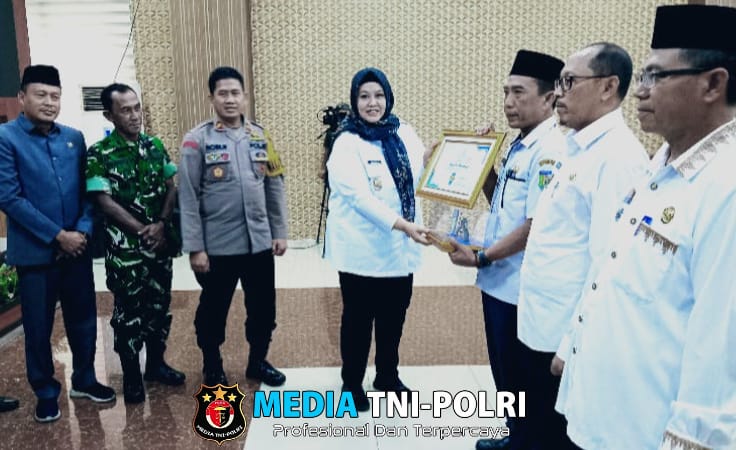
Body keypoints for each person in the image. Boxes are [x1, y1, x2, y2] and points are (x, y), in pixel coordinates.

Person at [555, 5, 736, 449]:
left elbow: (719, 351)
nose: (639, 91)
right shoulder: (662, 163)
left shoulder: (726, 187)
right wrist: (572, 345)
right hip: (602, 412)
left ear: (713, 84)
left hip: (646, 433)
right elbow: (610, 266)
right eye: (643, 76)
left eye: (656, 76)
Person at [515, 42, 650, 448]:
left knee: (553, 435)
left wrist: (570, 344)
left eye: (569, 82)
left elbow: (606, 263)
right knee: (533, 424)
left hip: (563, 335)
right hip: (541, 320)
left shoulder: (618, 158)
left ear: (608, 87)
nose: (559, 93)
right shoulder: (578, 147)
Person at [448, 50, 567, 450]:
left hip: (520, 287)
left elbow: (534, 224)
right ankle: (516, 437)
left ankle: (526, 441)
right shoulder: (520, 144)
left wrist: (482, 256)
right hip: (499, 281)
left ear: (549, 98)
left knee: (526, 380)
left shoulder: (549, 150)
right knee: (507, 377)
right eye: (505, 92)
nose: (508, 102)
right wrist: (484, 162)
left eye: (518, 92)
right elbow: (500, 202)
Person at [0, 65, 115, 423]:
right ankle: (46, 392)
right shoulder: (5, 138)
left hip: (76, 250)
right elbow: (9, 197)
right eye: (41, 95)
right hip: (36, 254)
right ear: (22, 97)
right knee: (38, 328)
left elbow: (87, 191)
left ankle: (85, 379)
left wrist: (81, 231)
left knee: (84, 320)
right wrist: (58, 236)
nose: (49, 102)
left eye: (55, 96)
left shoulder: (74, 138)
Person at [324, 67, 430, 412]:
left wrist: (457, 150)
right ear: (355, 100)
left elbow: (422, 168)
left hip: (399, 251)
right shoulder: (346, 142)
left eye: (379, 95)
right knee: (358, 320)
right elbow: (358, 198)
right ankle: (352, 382)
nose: (373, 103)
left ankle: (387, 375)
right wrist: (402, 225)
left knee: (393, 318)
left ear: (389, 97)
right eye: (364, 96)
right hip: (362, 250)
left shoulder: (404, 132)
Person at [178, 66, 288, 387]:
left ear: (245, 97)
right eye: (222, 93)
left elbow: (274, 186)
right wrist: (195, 247)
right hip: (218, 246)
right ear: (211, 98)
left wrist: (279, 232)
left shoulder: (260, 136)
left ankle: (258, 361)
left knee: (263, 309)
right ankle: (212, 365)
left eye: (235, 93)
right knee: (213, 311)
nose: (229, 99)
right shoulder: (197, 140)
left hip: (258, 243)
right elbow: (188, 197)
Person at [86, 83, 185, 404]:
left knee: (159, 306)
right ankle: (131, 375)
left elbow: (171, 186)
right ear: (109, 115)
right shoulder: (100, 153)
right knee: (129, 314)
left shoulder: (154, 145)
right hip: (125, 251)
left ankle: (156, 365)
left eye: (137, 107)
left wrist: (162, 224)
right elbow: (103, 201)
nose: (134, 115)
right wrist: (144, 230)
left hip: (159, 246)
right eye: (125, 110)